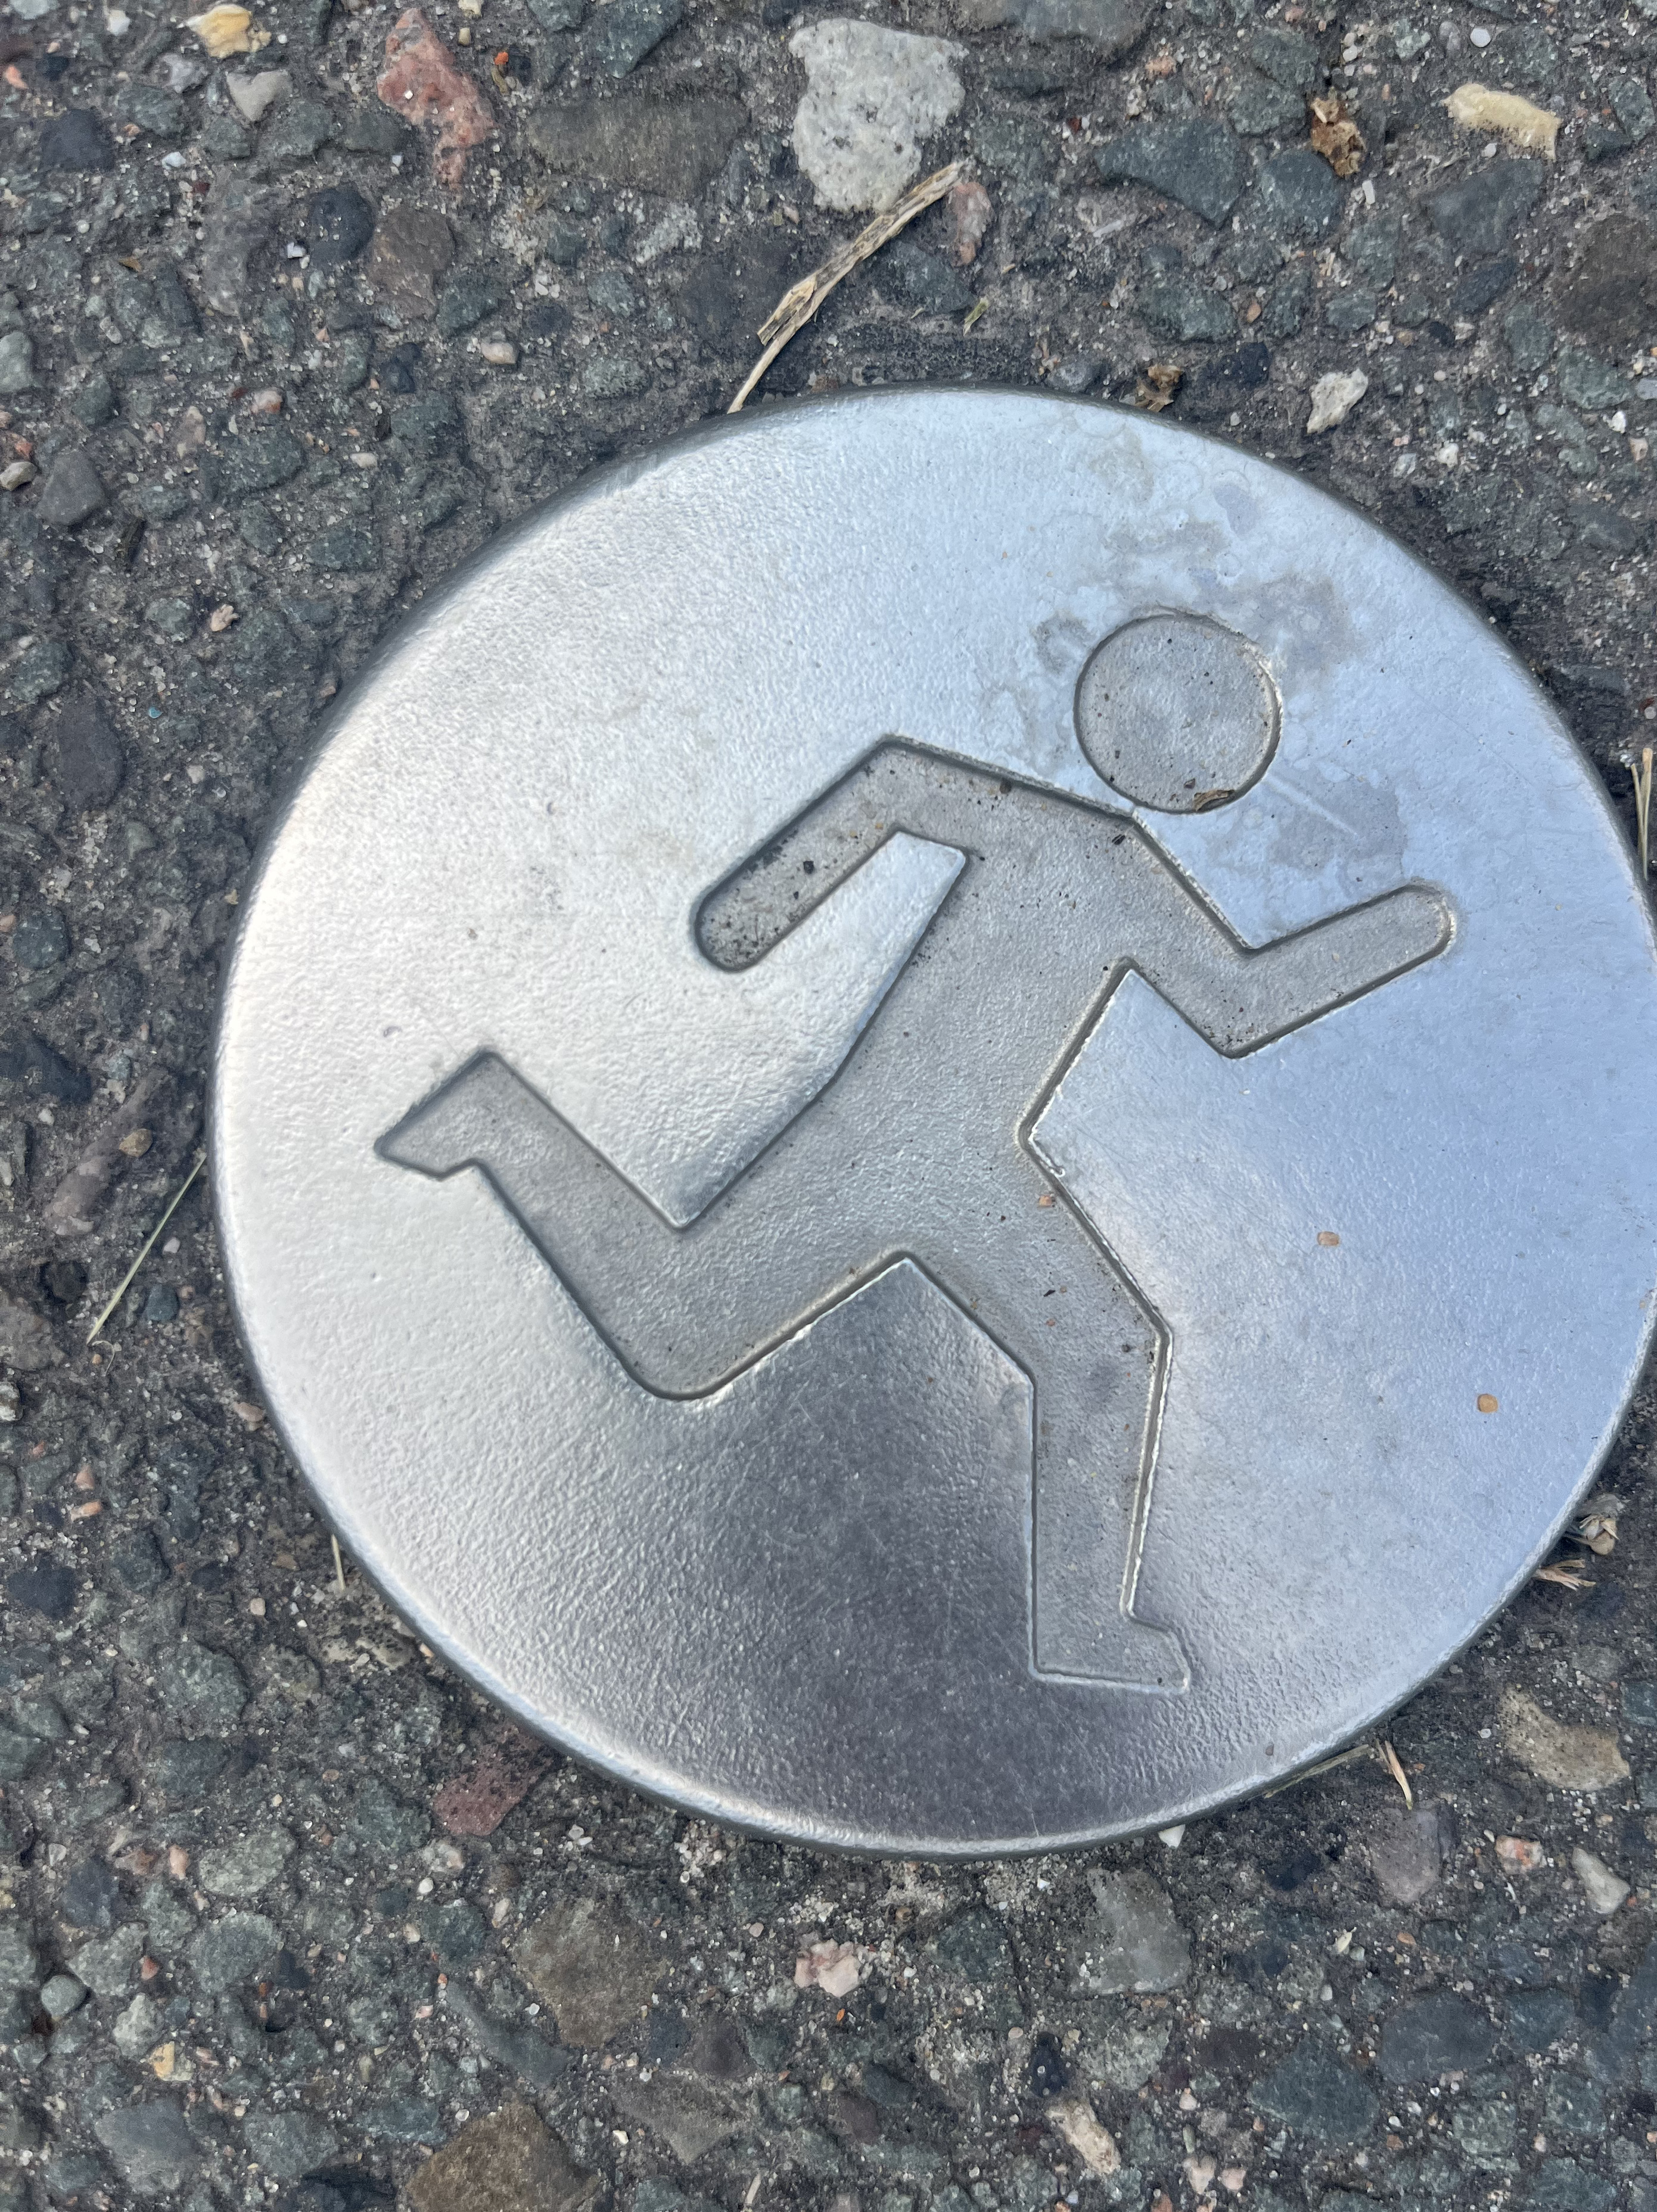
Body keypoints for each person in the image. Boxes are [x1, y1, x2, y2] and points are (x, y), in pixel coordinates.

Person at [381, 627, 1449, 1690]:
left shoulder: (1121, 870)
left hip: (964, 1152)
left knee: (1104, 1354)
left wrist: (1406, 929)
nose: (1201, 759)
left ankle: (1082, 1629)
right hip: (897, 1131)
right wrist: (762, 907)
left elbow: (1237, 1006)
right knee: (683, 1338)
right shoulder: (1070, 841)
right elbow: (896, 785)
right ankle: (499, 1125)